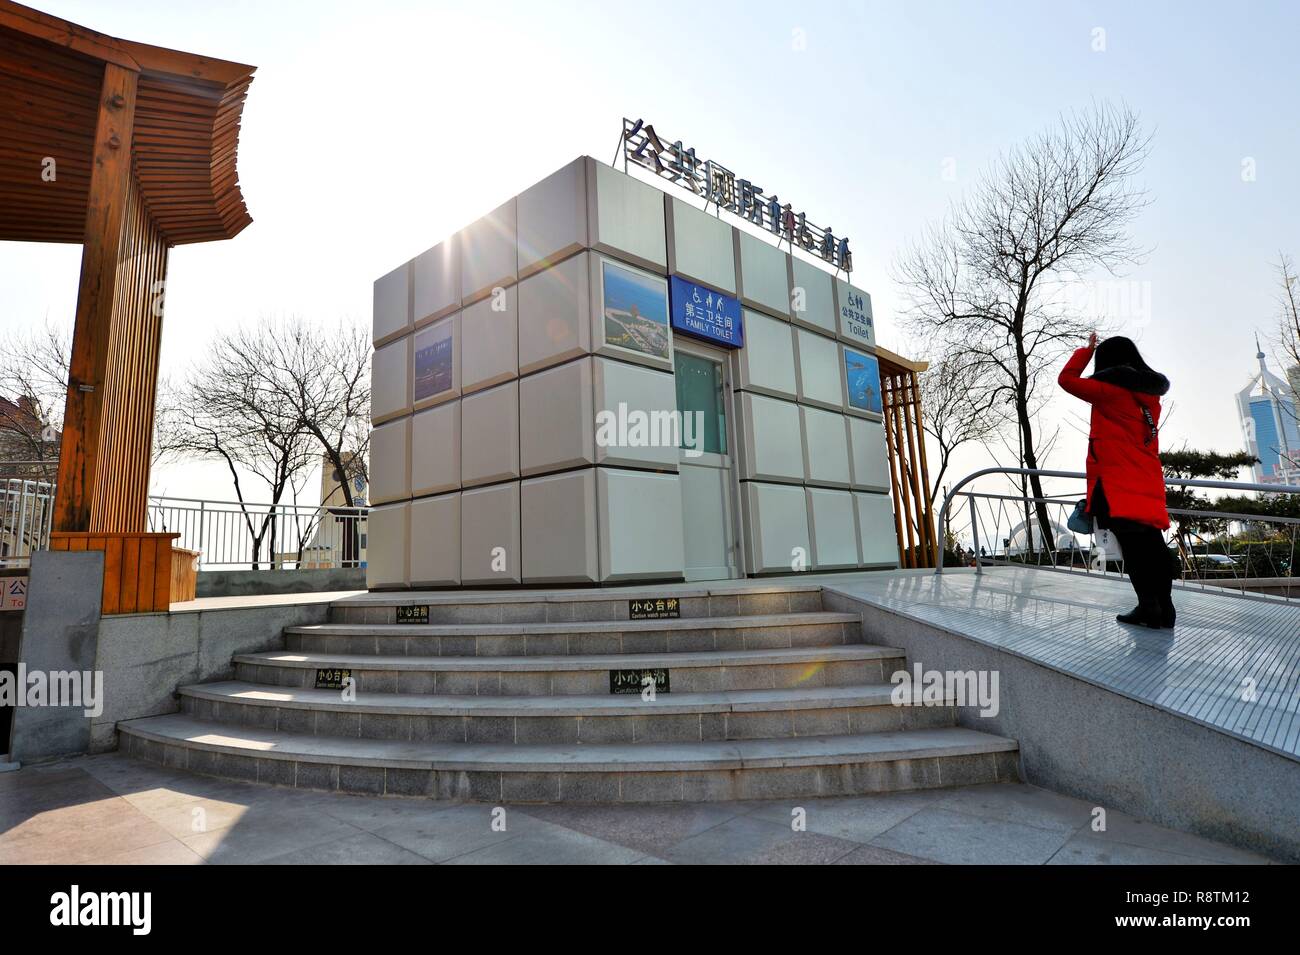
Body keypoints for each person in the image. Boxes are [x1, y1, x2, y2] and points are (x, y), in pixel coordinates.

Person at [1058, 333, 1175, 628]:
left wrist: (1086, 351)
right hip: (1146, 480)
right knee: (1152, 544)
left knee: (1134, 550)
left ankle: (1149, 608)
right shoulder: (1150, 398)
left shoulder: (1110, 391)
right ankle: (1165, 608)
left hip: (1117, 485)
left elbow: (1066, 379)